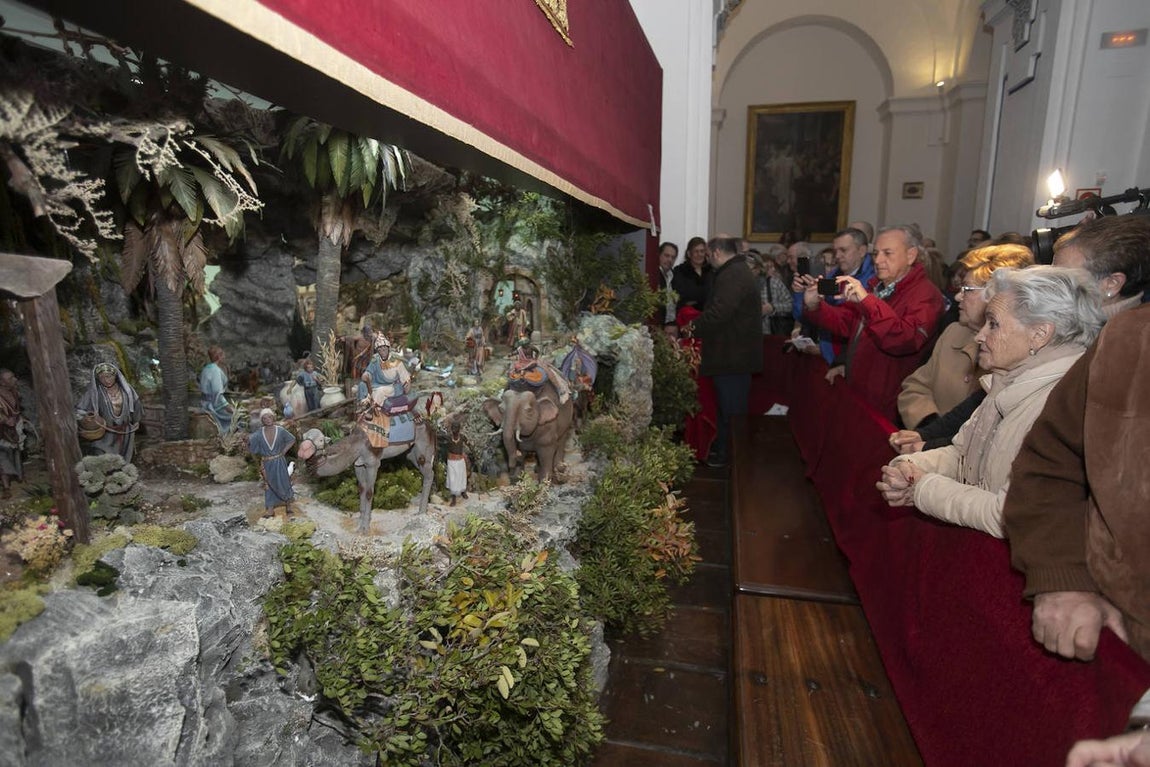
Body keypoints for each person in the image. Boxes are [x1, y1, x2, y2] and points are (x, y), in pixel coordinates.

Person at [877, 266, 1104, 537]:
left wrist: (922, 488)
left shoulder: (1061, 406)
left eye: (993, 324)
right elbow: (962, 455)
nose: (979, 335)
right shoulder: (1005, 382)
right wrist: (910, 469)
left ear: (1040, 334)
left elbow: (1007, 513)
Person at [798, 225, 946, 422]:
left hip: (890, 399)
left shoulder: (925, 295)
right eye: (875, 253)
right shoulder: (878, 287)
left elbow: (904, 339)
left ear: (911, 255)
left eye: (887, 253)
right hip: (862, 389)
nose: (877, 260)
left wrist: (868, 302)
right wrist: (815, 306)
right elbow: (848, 324)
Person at [896, 244, 1033, 429]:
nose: (958, 297)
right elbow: (915, 387)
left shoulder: (1018, 352)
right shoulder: (954, 332)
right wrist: (930, 426)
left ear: (996, 295)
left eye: (967, 289)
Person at [684, 236, 762, 468]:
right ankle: (728, 454)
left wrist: (692, 327)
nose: (707, 259)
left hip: (733, 357)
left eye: (708, 255)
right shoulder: (736, 271)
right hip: (732, 355)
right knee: (728, 411)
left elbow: (720, 312)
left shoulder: (733, 274)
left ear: (717, 252)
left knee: (732, 413)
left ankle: (732, 458)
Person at [76, 362, 142, 463]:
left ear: (115, 376)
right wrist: (86, 417)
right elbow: (80, 410)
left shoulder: (126, 390)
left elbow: (136, 403)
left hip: (125, 432)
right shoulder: (95, 392)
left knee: (123, 459)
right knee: (102, 457)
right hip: (104, 434)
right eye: (102, 377)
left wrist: (136, 420)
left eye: (109, 376)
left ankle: (122, 476)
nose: (106, 380)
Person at [248, 407, 295, 513]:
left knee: (284, 482)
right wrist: (246, 440)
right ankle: (270, 508)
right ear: (262, 421)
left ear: (273, 417)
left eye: (269, 417)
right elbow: (251, 443)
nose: (267, 419)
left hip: (279, 462)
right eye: (264, 418)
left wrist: (284, 451)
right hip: (267, 463)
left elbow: (291, 439)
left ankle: (288, 504)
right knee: (268, 484)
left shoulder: (280, 430)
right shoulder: (259, 433)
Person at [0, 369, 24, 498]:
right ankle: (6, 487)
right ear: (2, 383)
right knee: (2, 457)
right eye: (10, 379)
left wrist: (19, 418)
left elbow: (17, 408)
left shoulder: (14, 392)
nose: (14, 380)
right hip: (2, 431)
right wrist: (4, 419)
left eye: (13, 377)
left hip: (14, 428)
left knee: (16, 452)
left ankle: (19, 476)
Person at [672, 236, 712, 311]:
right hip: (688, 315)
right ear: (689, 254)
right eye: (696, 251)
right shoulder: (680, 271)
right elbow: (682, 297)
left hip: (709, 315)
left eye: (702, 251)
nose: (699, 254)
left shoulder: (712, 270)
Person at [200, 346, 233, 433]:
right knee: (239, 420)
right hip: (213, 408)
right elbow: (217, 394)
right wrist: (229, 408)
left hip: (205, 404)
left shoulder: (206, 368)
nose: (225, 357)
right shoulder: (215, 371)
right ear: (218, 356)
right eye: (223, 355)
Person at [445, 418, 469, 506]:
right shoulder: (448, 437)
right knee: (453, 479)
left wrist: (475, 454)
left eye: (456, 427)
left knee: (461, 477)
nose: (454, 428)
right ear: (451, 428)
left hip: (460, 461)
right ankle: (454, 498)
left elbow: (470, 444)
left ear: (459, 428)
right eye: (453, 427)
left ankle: (463, 491)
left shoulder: (462, 437)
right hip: (451, 461)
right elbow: (437, 436)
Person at [658, 241, 679, 329]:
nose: (670, 260)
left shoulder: (675, 276)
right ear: (659, 255)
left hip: (672, 325)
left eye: (673, 257)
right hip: (657, 325)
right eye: (666, 256)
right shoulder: (652, 275)